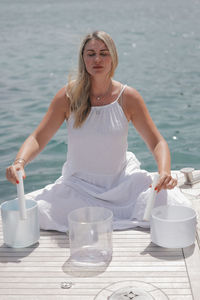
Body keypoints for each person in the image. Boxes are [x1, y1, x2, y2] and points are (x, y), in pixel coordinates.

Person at [6, 31, 190, 231]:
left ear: (113, 57)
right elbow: (38, 138)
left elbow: (157, 142)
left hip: (121, 184)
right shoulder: (68, 96)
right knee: (36, 211)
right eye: (91, 53)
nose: (97, 59)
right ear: (83, 58)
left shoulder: (127, 97)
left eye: (104, 53)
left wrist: (164, 171)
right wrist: (19, 162)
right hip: (77, 187)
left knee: (163, 199)